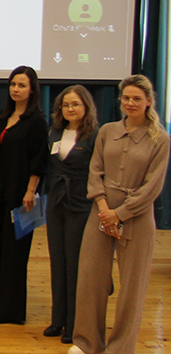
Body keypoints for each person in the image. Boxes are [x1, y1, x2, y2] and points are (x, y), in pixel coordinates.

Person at [70, 75, 170, 354]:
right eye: (126, 98)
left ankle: (121, 348)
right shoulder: (107, 131)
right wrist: (104, 209)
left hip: (137, 217)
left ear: (148, 101)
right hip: (100, 213)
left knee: (132, 287)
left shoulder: (160, 139)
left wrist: (120, 214)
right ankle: (87, 343)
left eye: (137, 98)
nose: (130, 103)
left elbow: (153, 187)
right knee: (90, 279)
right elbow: (95, 172)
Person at [0, 65, 48, 325]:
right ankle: (2, 304)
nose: (16, 89)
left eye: (22, 85)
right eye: (13, 84)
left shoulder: (36, 121)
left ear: (32, 89)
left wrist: (30, 191)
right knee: (2, 250)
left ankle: (13, 312)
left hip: (21, 194)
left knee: (16, 253)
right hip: (1, 191)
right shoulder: (5, 117)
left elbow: (39, 160)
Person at [44, 85, 98, 344]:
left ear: (86, 106)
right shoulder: (54, 132)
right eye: (65, 105)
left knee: (75, 265)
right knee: (58, 262)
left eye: (75, 104)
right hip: (56, 204)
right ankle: (58, 319)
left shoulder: (94, 136)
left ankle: (74, 323)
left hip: (80, 204)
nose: (70, 109)